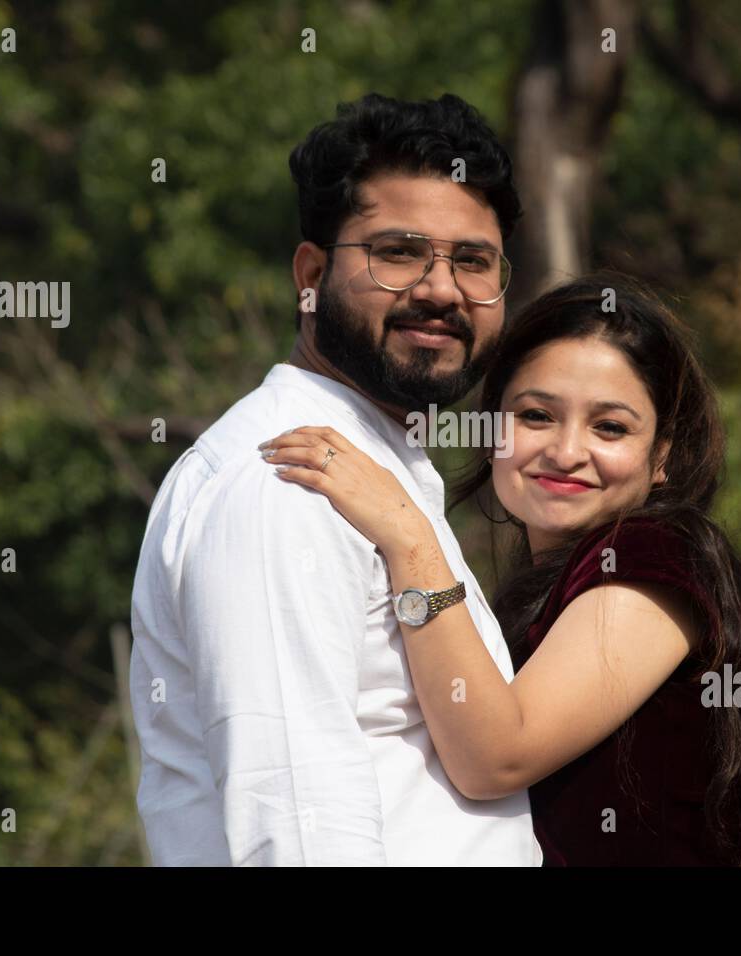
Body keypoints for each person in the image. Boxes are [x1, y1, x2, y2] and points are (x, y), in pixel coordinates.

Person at [259, 274, 741, 865]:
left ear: (663, 456)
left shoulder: (654, 558)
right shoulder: (540, 588)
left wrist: (409, 538)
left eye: (610, 427)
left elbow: (496, 755)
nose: (565, 452)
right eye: (536, 416)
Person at [129, 92, 541, 865]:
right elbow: (297, 815)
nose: (442, 290)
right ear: (311, 273)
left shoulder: (376, 467)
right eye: (399, 252)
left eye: (473, 261)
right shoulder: (286, 480)